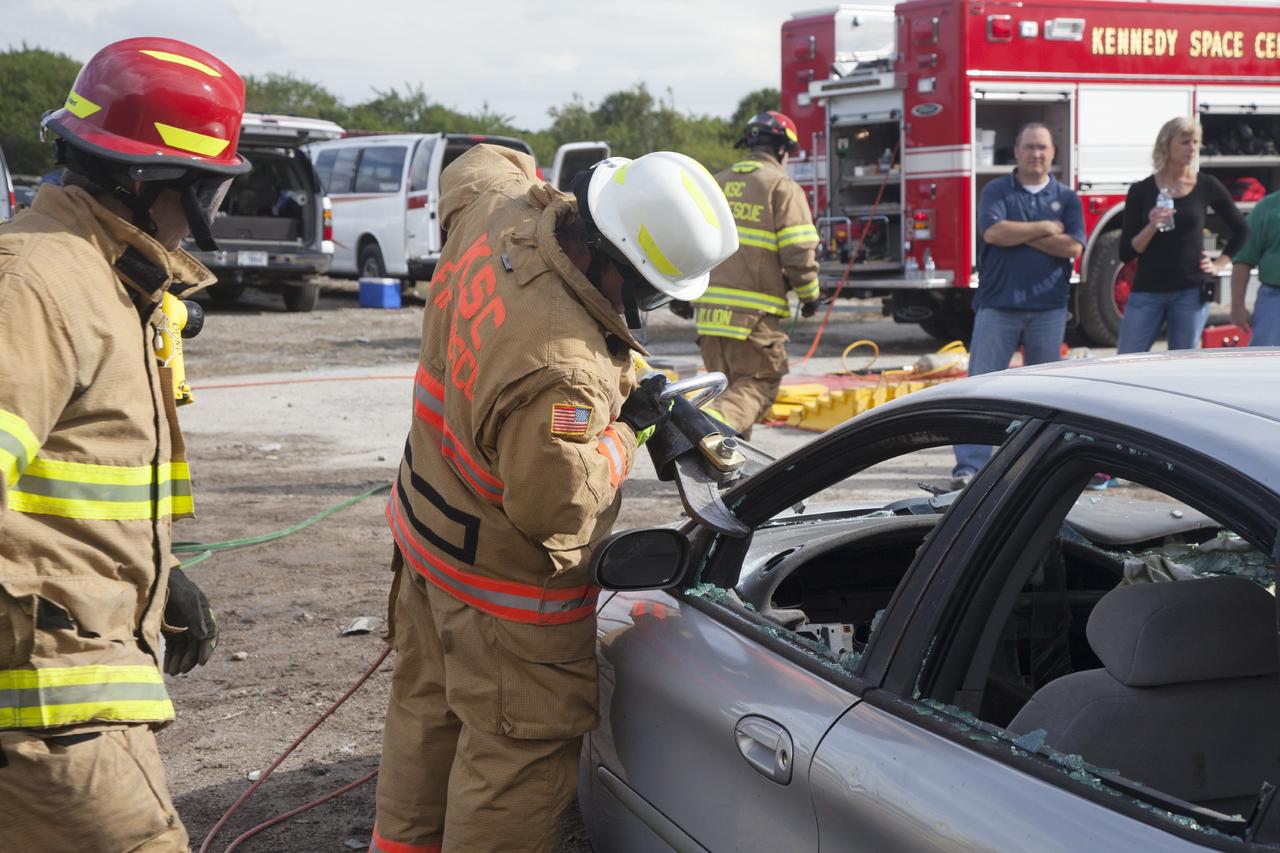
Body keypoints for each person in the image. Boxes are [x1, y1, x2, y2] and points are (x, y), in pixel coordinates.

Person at [370, 144, 736, 853]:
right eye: (652, 290)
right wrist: (628, 434)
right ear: (612, 260)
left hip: (426, 540)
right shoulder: (563, 368)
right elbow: (553, 504)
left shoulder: (502, 207)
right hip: (504, 595)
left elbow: (476, 162)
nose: (649, 308)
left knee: (427, 717)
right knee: (512, 761)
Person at [0, 38, 243, 851]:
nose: (211, 209)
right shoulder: (39, 286)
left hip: (73, 693)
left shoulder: (106, 280)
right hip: (46, 716)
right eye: (210, 187)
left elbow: (76, 472)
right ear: (149, 183)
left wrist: (159, 572)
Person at [950, 123, 1084, 490]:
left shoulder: (1067, 198)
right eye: (1029, 147)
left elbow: (1072, 248)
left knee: (1045, 395)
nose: (1036, 154)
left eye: (1042, 147)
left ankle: (1037, 468)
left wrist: (1020, 234)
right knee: (981, 388)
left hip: (1048, 307)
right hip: (998, 305)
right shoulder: (996, 190)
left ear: (1053, 153)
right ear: (1017, 152)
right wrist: (1044, 228)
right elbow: (994, 234)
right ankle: (970, 468)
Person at [680, 110, 820, 438]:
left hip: (709, 317)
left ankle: (726, 472)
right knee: (758, 385)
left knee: (729, 393)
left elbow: (688, 240)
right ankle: (702, 432)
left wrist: (682, 292)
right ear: (783, 149)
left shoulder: (717, 183)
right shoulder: (781, 187)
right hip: (753, 321)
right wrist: (810, 295)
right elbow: (799, 253)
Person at [1116, 116, 1248, 354]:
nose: (1192, 148)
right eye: (1185, 141)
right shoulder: (1141, 190)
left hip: (1190, 292)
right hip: (1147, 291)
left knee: (1182, 363)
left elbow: (1242, 229)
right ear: (1166, 145)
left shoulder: (1206, 185)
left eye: (1196, 142)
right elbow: (1126, 252)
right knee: (1127, 359)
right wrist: (1151, 225)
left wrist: (1219, 264)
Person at [1230, 188, 1280, 347]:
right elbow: (1243, 260)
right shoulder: (1268, 207)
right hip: (1274, 299)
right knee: (1264, 363)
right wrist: (1238, 306)